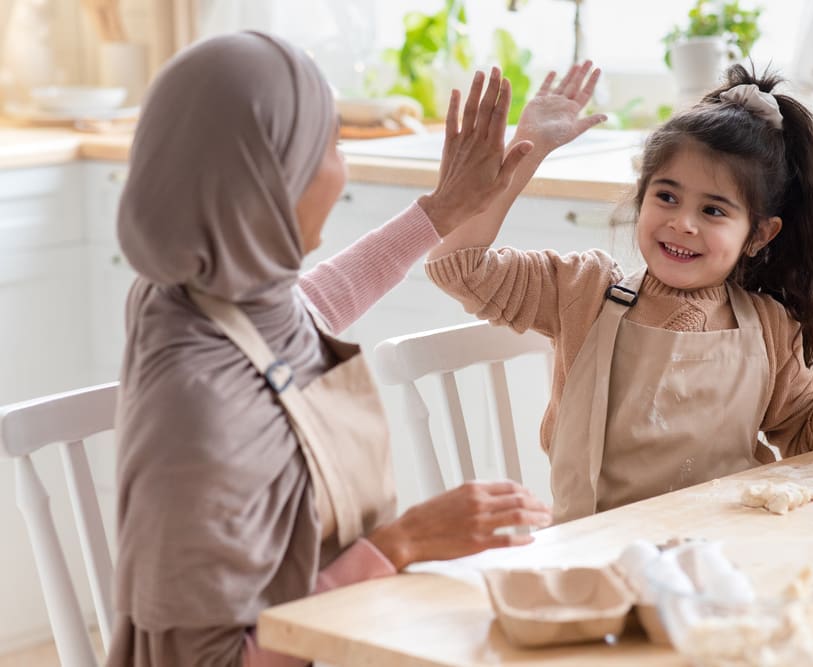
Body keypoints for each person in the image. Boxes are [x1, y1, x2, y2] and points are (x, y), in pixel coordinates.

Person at [107, 32, 561, 666]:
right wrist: (399, 545)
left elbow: (306, 309)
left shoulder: (196, 293)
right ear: (269, 181)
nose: (341, 170)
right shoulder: (198, 408)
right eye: (332, 147)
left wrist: (442, 211)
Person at [426, 64, 813, 524]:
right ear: (642, 197)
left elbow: (809, 447)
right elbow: (459, 268)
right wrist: (526, 150)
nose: (681, 223)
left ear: (759, 235)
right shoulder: (583, 291)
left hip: (728, 547)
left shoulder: (772, 326)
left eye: (714, 211)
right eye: (666, 196)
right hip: (597, 546)